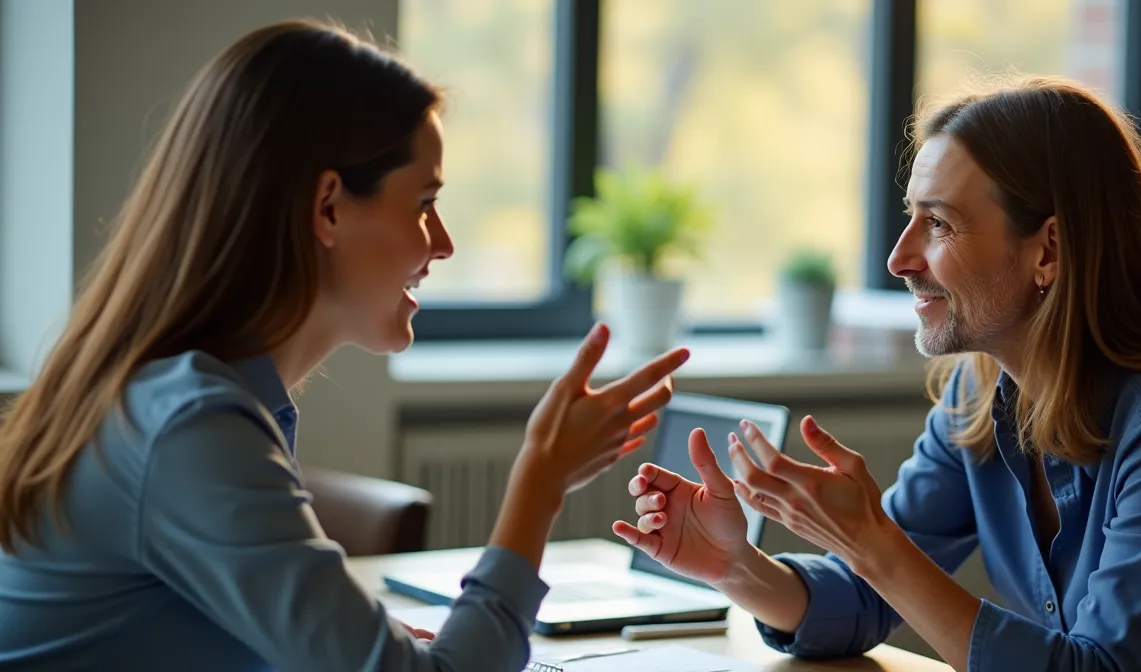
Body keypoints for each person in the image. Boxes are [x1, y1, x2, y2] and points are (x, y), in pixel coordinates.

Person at [0, 21, 688, 672]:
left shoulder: (171, 398)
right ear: (327, 207)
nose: (443, 243)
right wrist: (541, 479)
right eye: (423, 204)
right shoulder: (191, 428)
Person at [615, 77, 1141, 671]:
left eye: (939, 225)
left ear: (1050, 251)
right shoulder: (979, 398)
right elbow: (865, 597)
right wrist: (737, 566)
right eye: (909, 218)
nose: (898, 258)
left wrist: (871, 542)